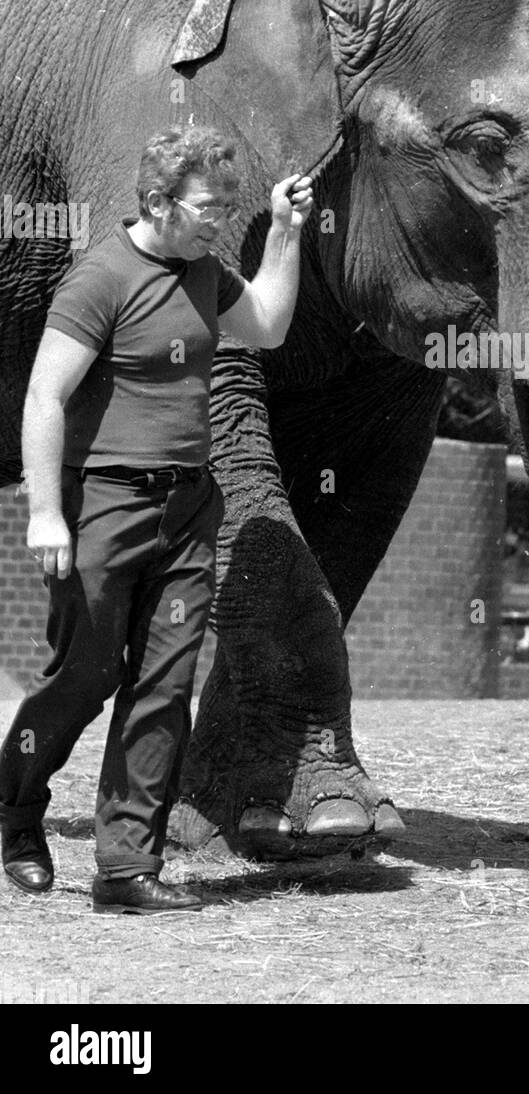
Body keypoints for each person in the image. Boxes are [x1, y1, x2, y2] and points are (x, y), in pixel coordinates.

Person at [0, 127, 313, 914]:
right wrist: (46, 514)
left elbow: (269, 325)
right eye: (209, 208)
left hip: (186, 509)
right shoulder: (100, 279)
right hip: (104, 503)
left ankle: (124, 868)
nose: (219, 221)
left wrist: (282, 231)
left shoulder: (207, 274)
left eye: (228, 207)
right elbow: (45, 398)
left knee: (164, 686)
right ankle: (15, 805)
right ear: (158, 201)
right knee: (85, 676)